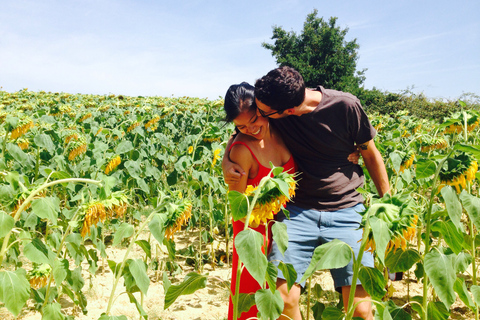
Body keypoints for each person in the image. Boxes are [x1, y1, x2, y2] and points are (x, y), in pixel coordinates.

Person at [223, 66, 390, 320]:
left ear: (286, 111)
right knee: (282, 300)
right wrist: (227, 158)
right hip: (298, 212)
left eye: (263, 113)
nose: (260, 116)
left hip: (347, 208)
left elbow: (370, 153)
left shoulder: (345, 106)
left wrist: (387, 205)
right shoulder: (275, 109)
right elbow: (242, 128)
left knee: (361, 309)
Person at [223, 82, 298, 320]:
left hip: (288, 225)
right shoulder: (242, 150)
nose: (251, 129)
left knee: (283, 298)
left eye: (254, 120)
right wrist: (228, 155)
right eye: (241, 126)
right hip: (255, 231)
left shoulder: (282, 125)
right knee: (251, 295)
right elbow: (238, 208)